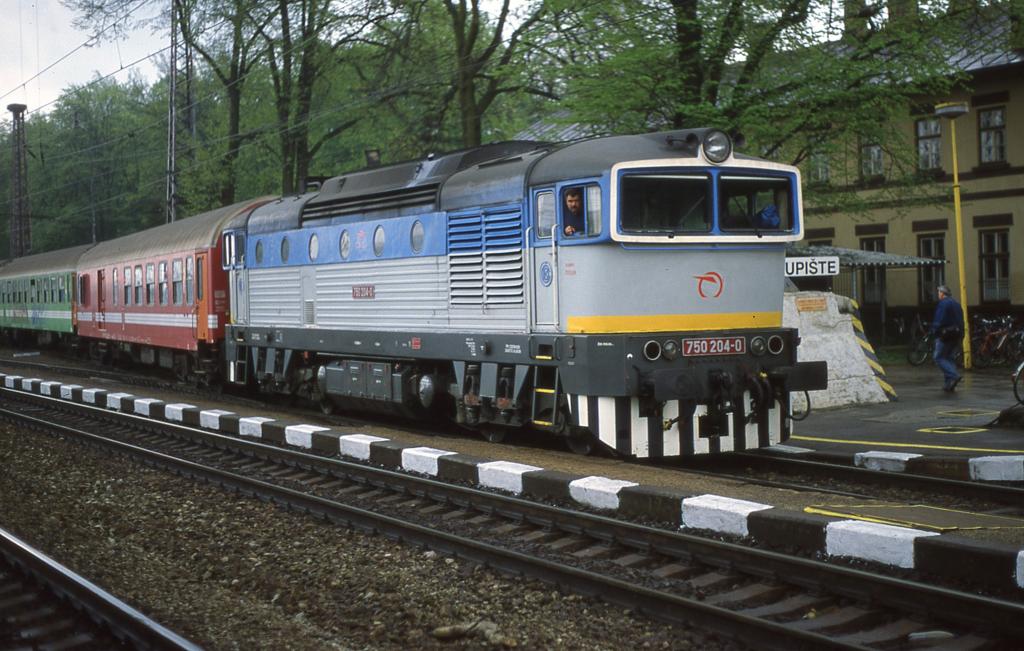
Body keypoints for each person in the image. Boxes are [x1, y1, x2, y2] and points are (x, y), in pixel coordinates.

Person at [930, 285, 964, 392]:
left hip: (945, 334)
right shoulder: (956, 304)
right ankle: (949, 384)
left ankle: (954, 376)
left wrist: (934, 330)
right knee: (949, 358)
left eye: (939, 292)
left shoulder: (943, 304)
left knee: (938, 357)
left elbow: (939, 319)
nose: (938, 294)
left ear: (942, 293)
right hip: (956, 334)